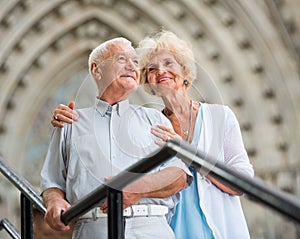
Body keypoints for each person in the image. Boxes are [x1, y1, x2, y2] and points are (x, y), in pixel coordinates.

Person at [51, 31, 254, 239]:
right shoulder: (149, 124)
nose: (161, 72)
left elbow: (242, 182)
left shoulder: (219, 117)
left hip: (216, 227)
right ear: (147, 81)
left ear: (184, 70)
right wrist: (65, 120)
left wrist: (187, 153)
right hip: (169, 227)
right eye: (152, 69)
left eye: (168, 63)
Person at [41, 37, 192, 239]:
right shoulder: (69, 122)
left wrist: (139, 189)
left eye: (136, 62)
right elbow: (52, 183)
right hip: (93, 230)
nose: (131, 66)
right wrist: (54, 202)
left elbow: (179, 176)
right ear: (97, 69)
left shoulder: (155, 118)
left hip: (151, 229)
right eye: (122, 59)